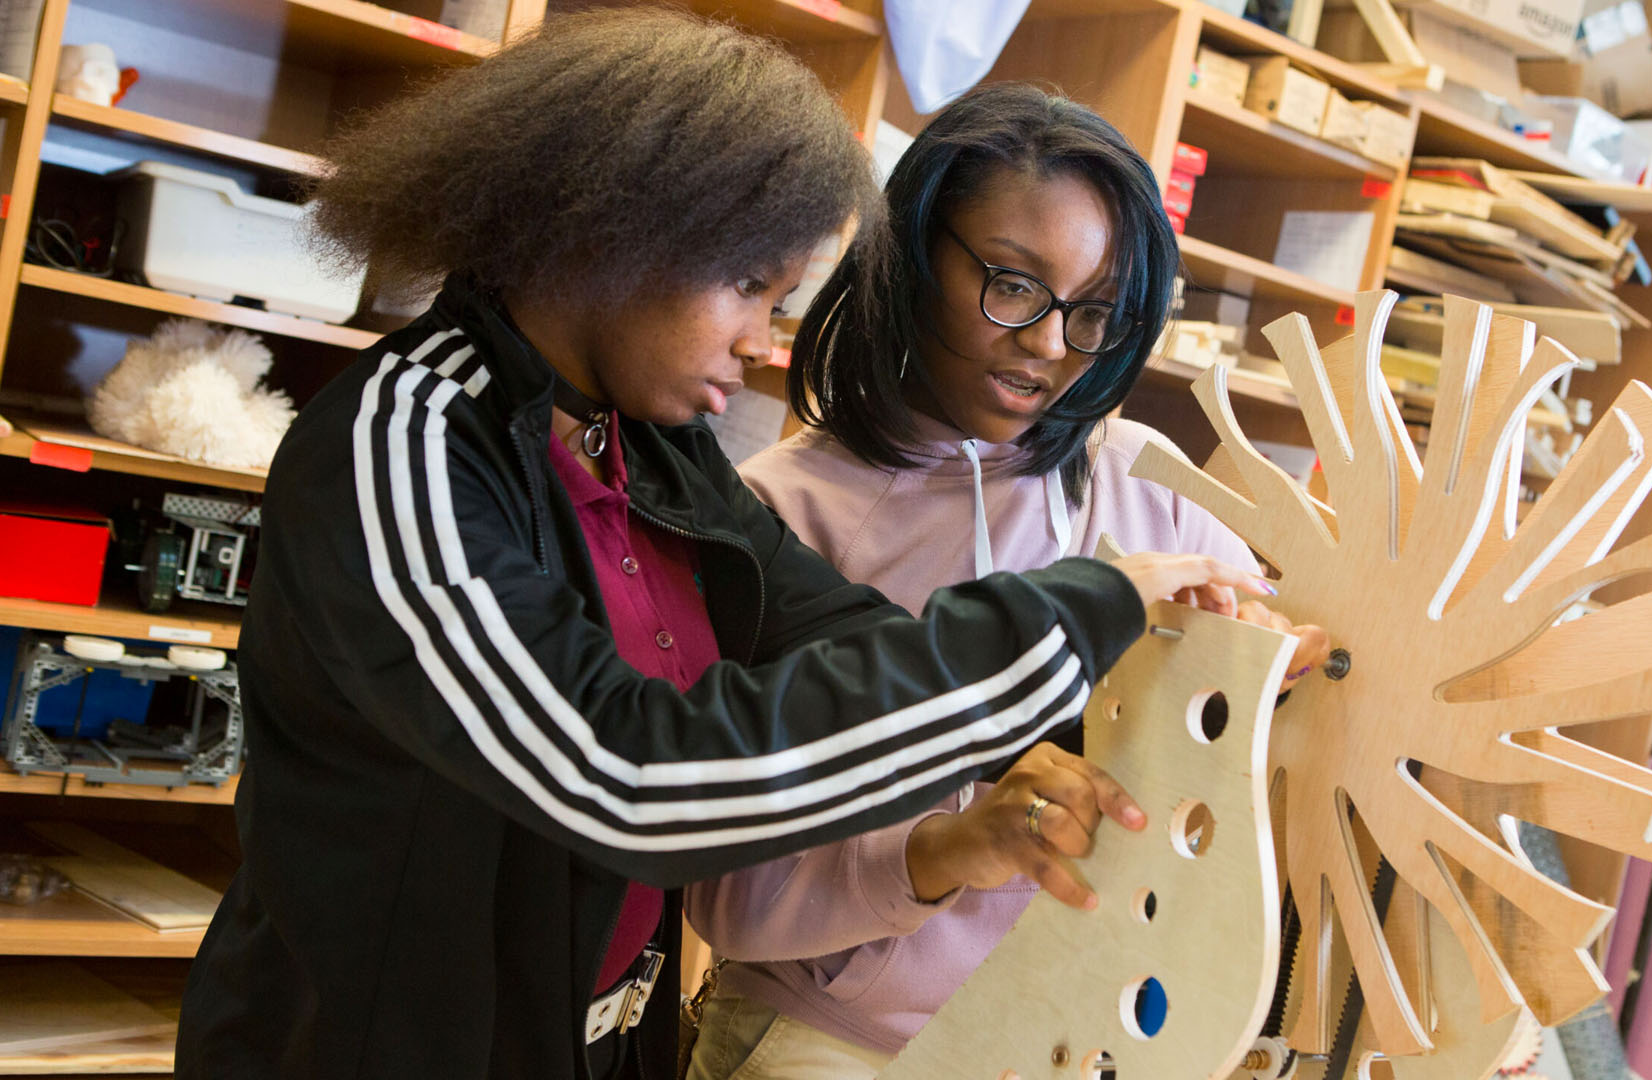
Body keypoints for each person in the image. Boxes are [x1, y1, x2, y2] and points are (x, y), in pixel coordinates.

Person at [172, 16, 1272, 1080]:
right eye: (748, 287)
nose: (760, 342)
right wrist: (1074, 612)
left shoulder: (646, 443)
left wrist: (1057, 725)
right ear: (607, 231)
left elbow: (829, 626)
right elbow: (618, 775)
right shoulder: (404, 440)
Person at [682, 83, 1331, 1080]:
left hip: (1091, 1045)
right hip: (839, 1041)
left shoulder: (1148, 489)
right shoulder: (779, 518)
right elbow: (725, 896)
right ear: (909, 252)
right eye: (1016, 285)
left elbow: (1299, 740)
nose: (1048, 346)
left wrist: (1267, 674)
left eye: (1095, 312)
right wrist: (944, 849)